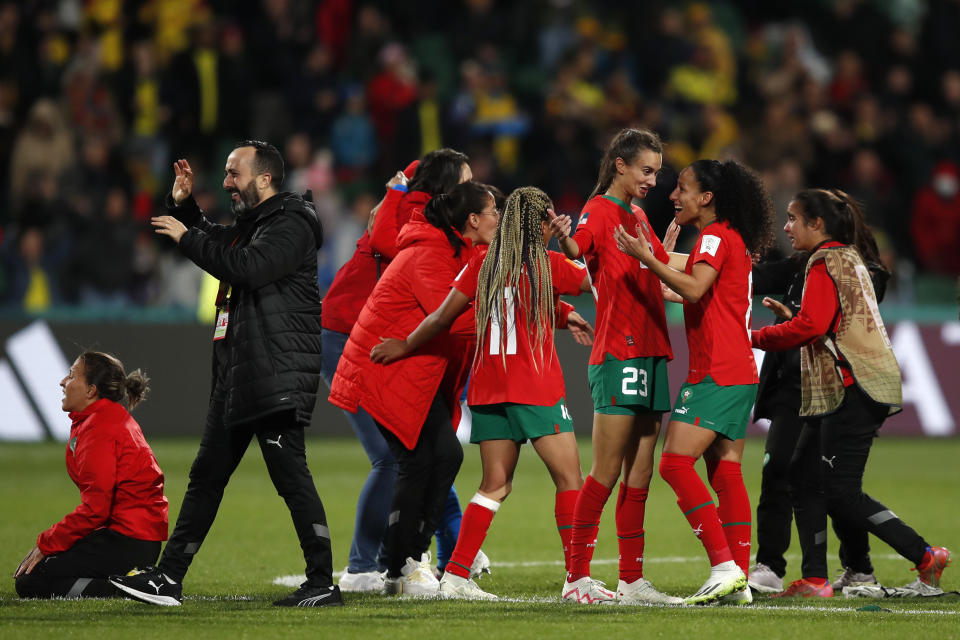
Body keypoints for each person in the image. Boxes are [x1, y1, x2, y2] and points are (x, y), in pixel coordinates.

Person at [110, 141, 339, 608]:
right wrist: (185, 206)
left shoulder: (292, 224)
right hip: (242, 373)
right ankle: (168, 578)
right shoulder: (257, 224)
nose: (227, 183)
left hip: (275, 372)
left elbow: (246, 267)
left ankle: (322, 583)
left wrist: (186, 237)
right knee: (206, 476)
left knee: (290, 477)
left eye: (235, 174)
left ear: (265, 179)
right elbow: (224, 241)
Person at [371, 186, 594, 600]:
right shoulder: (550, 264)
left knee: (494, 485)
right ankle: (578, 579)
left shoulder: (481, 263)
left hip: (489, 389)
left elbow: (441, 317)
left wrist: (404, 344)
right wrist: (570, 242)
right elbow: (598, 277)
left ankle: (455, 574)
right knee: (570, 481)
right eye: (548, 223)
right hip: (534, 386)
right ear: (542, 225)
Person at [751, 188, 952, 597]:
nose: (786, 227)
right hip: (850, 385)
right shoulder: (849, 259)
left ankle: (924, 554)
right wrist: (797, 320)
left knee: (840, 491)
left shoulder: (825, 261)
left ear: (817, 224)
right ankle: (817, 578)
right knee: (803, 476)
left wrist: (753, 337)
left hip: (853, 387)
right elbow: (823, 322)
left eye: (793, 219)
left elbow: (810, 327)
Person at [614, 158, 775, 605]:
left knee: (673, 463)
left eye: (682, 188)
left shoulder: (712, 235)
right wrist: (658, 262)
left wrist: (646, 256)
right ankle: (738, 578)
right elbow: (688, 286)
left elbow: (694, 289)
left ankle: (724, 567)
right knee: (725, 470)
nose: (673, 195)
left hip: (717, 372)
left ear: (706, 197)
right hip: (738, 370)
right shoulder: (730, 236)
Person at [330, 181, 499, 597]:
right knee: (419, 460)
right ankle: (401, 565)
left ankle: (405, 561)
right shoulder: (430, 254)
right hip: (386, 370)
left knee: (439, 456)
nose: (498, 217)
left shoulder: (457, 251)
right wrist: (512, 320)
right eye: (493, 210)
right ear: (472, 220)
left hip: (409, 373)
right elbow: (456, 322)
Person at [548, 128, 683, 605]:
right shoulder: (599, 210)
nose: (652, 180)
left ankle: (631, 580)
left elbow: (667, 274)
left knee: (639, 474)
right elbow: (578, 249)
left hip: (650, 350)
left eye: (657, 172)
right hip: (618, 352)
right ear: (620, 165)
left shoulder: (640, 217)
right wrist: (565, 240)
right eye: (646, 170)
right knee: (604, 472)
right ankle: (576, 578)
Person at [747, 219, 891, 595]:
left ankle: (856, 566)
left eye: (797, 218)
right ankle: (771, 565)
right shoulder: (800, 266)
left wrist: (793, 320)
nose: (788, 226)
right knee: (779, 469)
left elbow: (833, 323)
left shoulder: (861, 272)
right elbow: (753, 275)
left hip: (832, 386)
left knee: (832, 484)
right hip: (791, 384)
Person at [15, 351, 167, 599]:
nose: (63, 382)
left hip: (127, 540)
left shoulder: (100, 428)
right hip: (133, 536)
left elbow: (96, 508)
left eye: (72, 375)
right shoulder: (103, 419)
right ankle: (127, 580)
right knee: (45, 568)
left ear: (90, 391)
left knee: (31, 582)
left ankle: (134, 587)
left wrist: (47, 542)